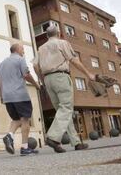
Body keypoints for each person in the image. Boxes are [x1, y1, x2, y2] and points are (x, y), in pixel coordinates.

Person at [33, 25, 93, 153]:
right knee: (66, 108)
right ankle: (53, 138)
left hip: (48, 80)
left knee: (63, 111)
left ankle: (76, 142)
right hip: (61, 77)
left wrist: (41, 79)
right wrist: (88, 74)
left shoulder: (41, 48)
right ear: (59, 33)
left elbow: (35, 66)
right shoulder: (62, 43)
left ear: (47, 35)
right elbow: (74, 60)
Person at [0, 43, 41, 156]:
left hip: (7, 96)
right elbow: (26, 75)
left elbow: (0, 81)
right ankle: (24, 148)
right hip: (19, 95)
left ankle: (9, 135)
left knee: (16, 119)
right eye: (22, 49)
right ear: (17, 50)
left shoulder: (2, 63)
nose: (24, 51)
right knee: (25, 120)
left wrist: (1, 96)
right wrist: (36, 85)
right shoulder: (20, 59)